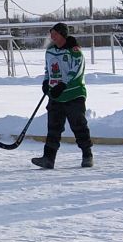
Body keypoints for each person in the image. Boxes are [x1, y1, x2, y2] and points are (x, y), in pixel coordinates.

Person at [32, 22, 93, 169]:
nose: (52, 35)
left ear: (62, 34)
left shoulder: (75, 51)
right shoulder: (50, 51)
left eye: (55, 33)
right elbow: (48, 69)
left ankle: (87, 155)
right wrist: (46, 82)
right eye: (51, 32)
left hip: (74, 95)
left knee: (79, 126)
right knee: (53, 128)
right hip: (56, 96)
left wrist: (63, 85)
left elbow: (77, 71)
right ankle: (48, 158)